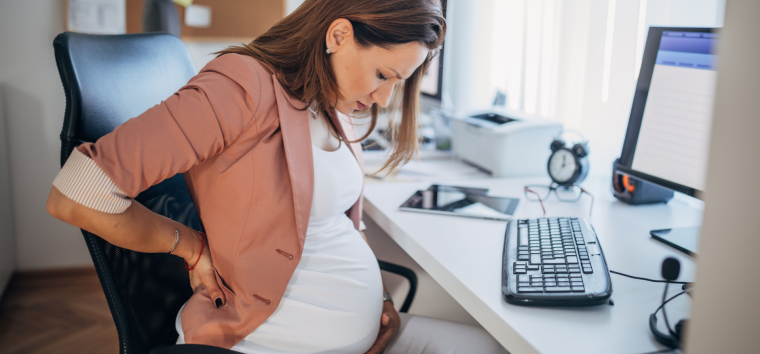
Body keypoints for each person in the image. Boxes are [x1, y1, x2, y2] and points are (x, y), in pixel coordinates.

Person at [46, 0, 508, 353]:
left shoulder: (328, 100)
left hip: (365, 334)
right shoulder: (241, 84)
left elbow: (339, 225)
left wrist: (381, 297)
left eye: (398, 83)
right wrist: (189, 246)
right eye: (383, 74)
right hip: (269, 339)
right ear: (339, 35)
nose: (386, 98)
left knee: (491, 346)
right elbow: (75, 194)